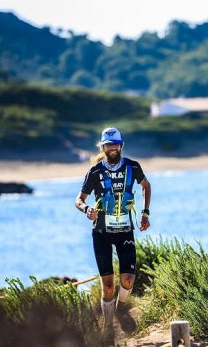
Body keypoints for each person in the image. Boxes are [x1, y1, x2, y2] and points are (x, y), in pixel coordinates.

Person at [74, 127, 151, 339]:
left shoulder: (132, 167)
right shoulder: (95, 171)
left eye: (116, 143)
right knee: (108, 286)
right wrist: (86, 209)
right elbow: (78, 199)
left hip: (125, 231)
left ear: (121, 145)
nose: (113, 147)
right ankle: (107, 327)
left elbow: (146, 186)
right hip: (101, 233)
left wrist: (145, 213)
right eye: (108, 144)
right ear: (103, 147)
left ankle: (120, 308)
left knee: (127, 281)